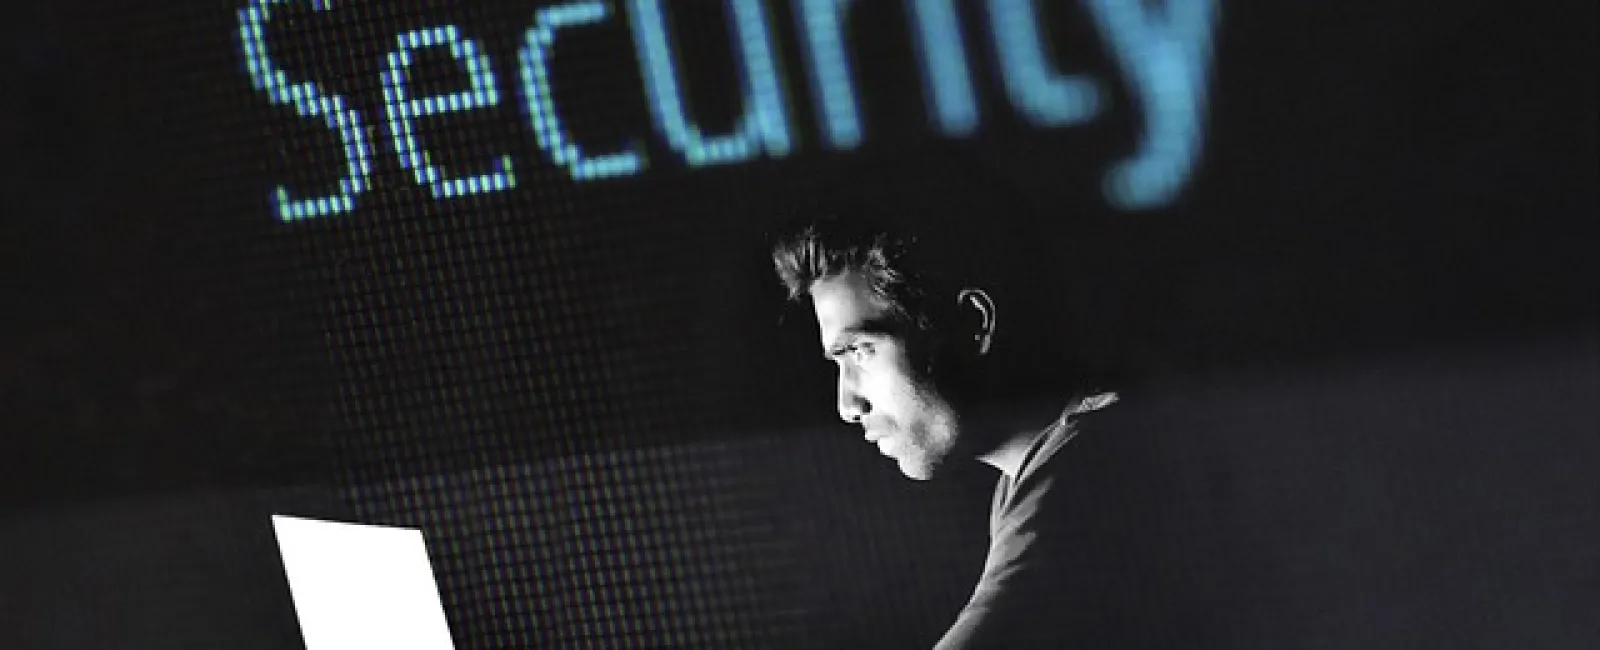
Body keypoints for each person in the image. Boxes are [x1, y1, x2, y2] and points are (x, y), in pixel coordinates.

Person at [765, 161, 1217, 648]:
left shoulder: (1087, 471)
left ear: (973, 325)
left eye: (860, 351)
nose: (847, 404)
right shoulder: (1030, 476)